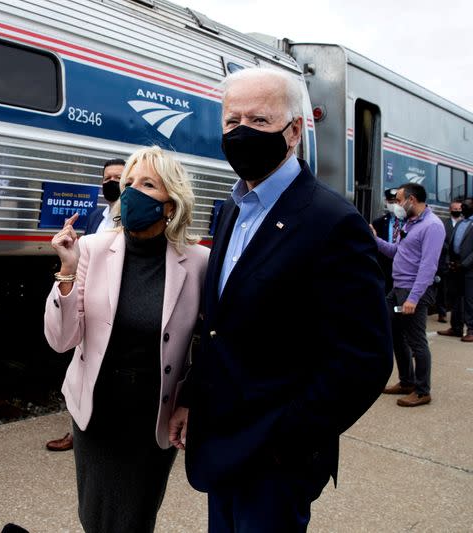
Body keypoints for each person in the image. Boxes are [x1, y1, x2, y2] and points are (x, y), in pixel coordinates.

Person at [169, 68, 392, 532]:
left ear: (293, 131)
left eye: (259, 120)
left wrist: (287, 439)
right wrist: (192, 398)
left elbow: (365, 358)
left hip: (275, 460)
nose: (241, 133)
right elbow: (219, 325)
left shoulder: (333, 222)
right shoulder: (232, 209)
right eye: (232, 122)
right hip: (221, 443)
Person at [44, 146, 209, 532]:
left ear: (171, 204)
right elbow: (61, 339)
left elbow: (211, 341)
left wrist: (190, 399)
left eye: (147, 184)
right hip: (98, 413)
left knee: (135, 519)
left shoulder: (197, 263)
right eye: (128, 182)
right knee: (97, 518)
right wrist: (66, 273)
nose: (131, 191)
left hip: (153, 418)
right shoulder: (91, 249)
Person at [46, 158, 125, 453]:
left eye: (118, 177)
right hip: (82, 292)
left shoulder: (129, 218)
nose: (110, 182)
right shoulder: (95, 216)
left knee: (101, 365)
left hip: (110, 300)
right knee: (77, 361)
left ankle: (97, 431)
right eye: (106, 177)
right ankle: (76, 429)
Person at [378, 183, 444, 407]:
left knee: (417, 341)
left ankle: (422, 390)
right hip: (398, 289)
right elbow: (396, 251)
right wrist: (373, 239)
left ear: (412, 200)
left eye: (398, 200)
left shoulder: (432, 226)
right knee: (394, 333)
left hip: (413, 292)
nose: (396, 205)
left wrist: (413, 299)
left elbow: (428, 267)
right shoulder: (410, 223)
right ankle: (406, 381)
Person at [438, 197, 473, 341]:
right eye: (462, 205)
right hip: (455, 266)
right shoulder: (460, 223)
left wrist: (463, 264)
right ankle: (456, 327)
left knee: (470, 301)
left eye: (466, 206)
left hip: (469, 269)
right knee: (456, 299)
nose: (462, 208)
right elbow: (451, 244)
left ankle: (471, 330)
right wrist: (450, 262)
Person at [436, 198, 465, 325]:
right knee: (442, 289)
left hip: (459, 263)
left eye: (459, 209)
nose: (457, 211)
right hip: (444, 261)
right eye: (455, 209)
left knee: (456, 290)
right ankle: (442, 313)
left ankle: (456, 315)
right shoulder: (443, 223)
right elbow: (440, 240)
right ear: (450, 210)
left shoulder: (465, 224)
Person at [371, 188, 404, 293]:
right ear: (386, 202)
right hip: (384, 267)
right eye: (391, 202)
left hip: (403, 267)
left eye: (396, 202)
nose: (394, 205)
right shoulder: (378, 223)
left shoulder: (409, 222)